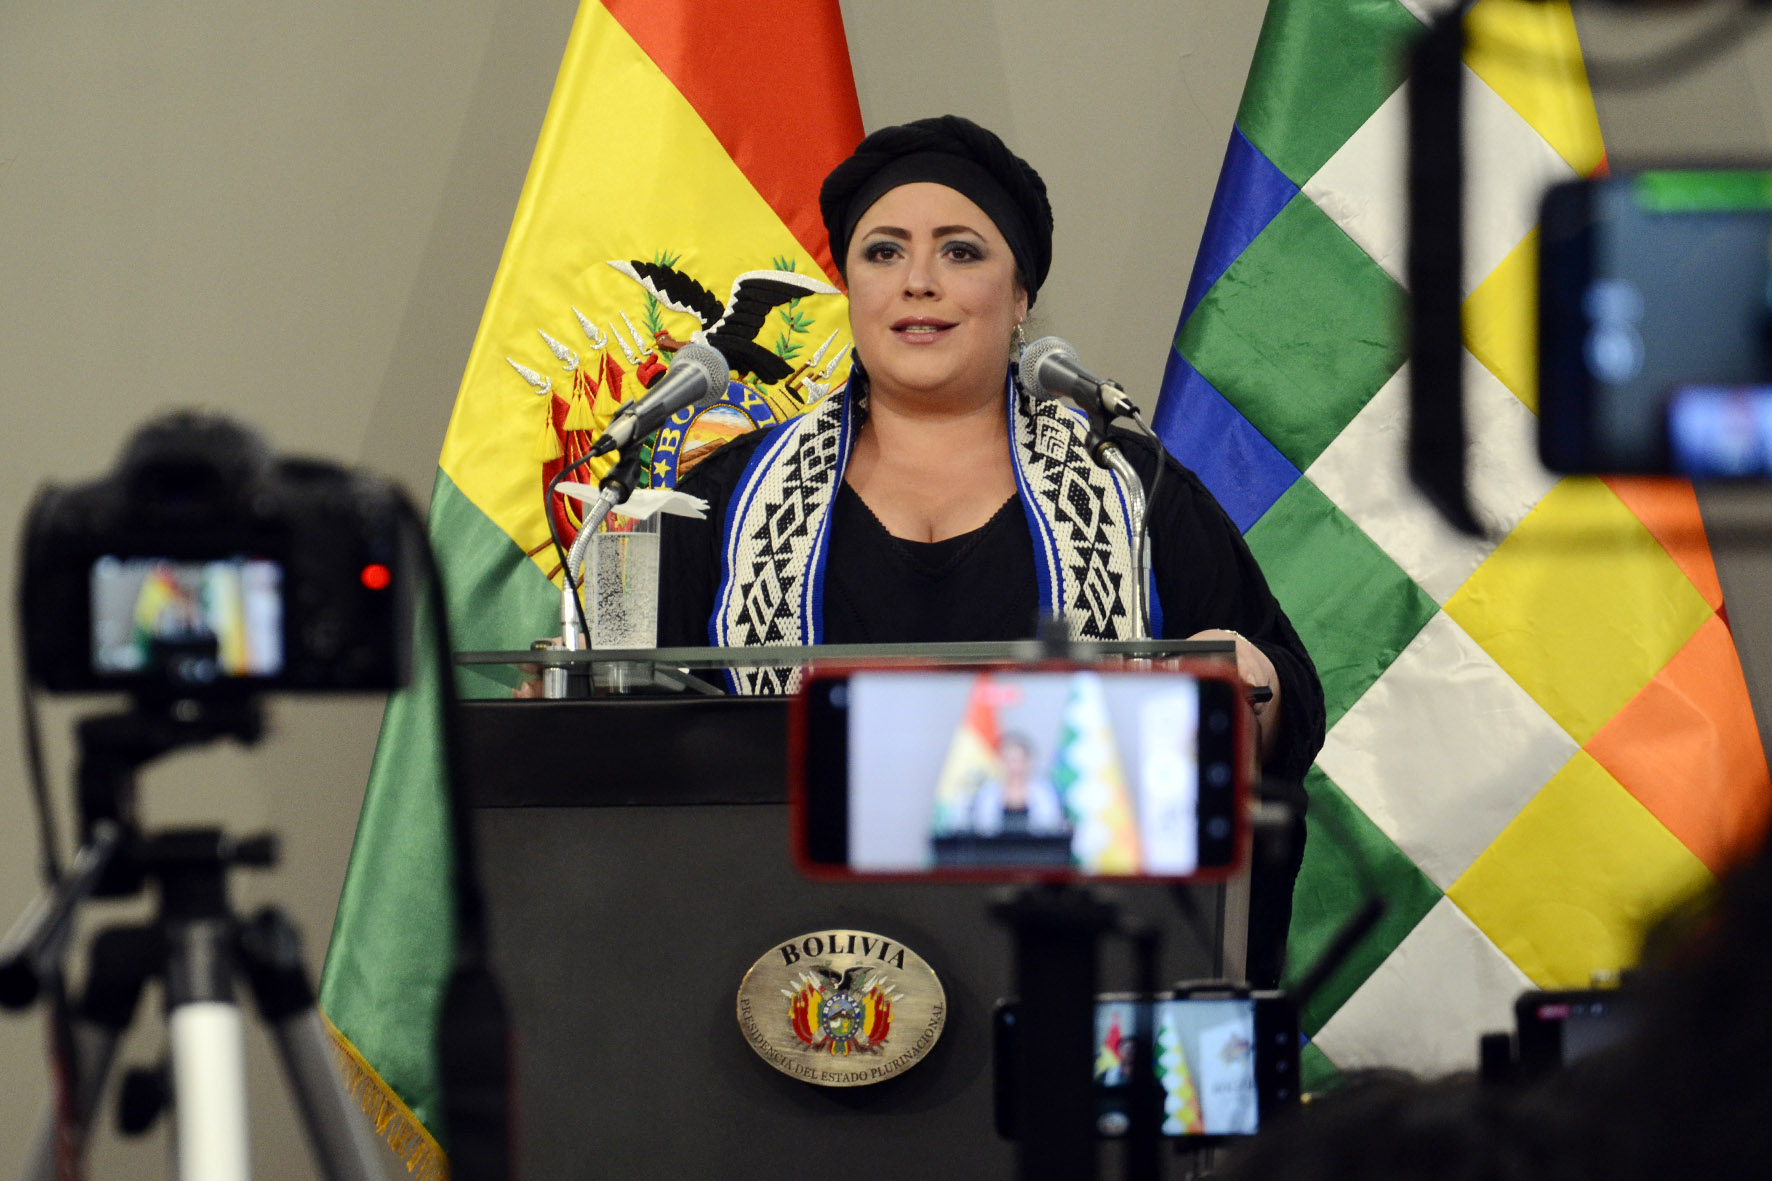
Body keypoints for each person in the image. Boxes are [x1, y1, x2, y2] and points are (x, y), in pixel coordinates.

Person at [657, 115, 1325, 983]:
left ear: (1019, 300)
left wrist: (1248, 682)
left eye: (961, 251)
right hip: (793, 986)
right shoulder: (727, 501)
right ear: (850, 288)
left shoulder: (1130, 488)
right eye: (884, 252)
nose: (919, 281)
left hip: (1072, 981)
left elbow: (1280, 694)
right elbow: (647, 752)